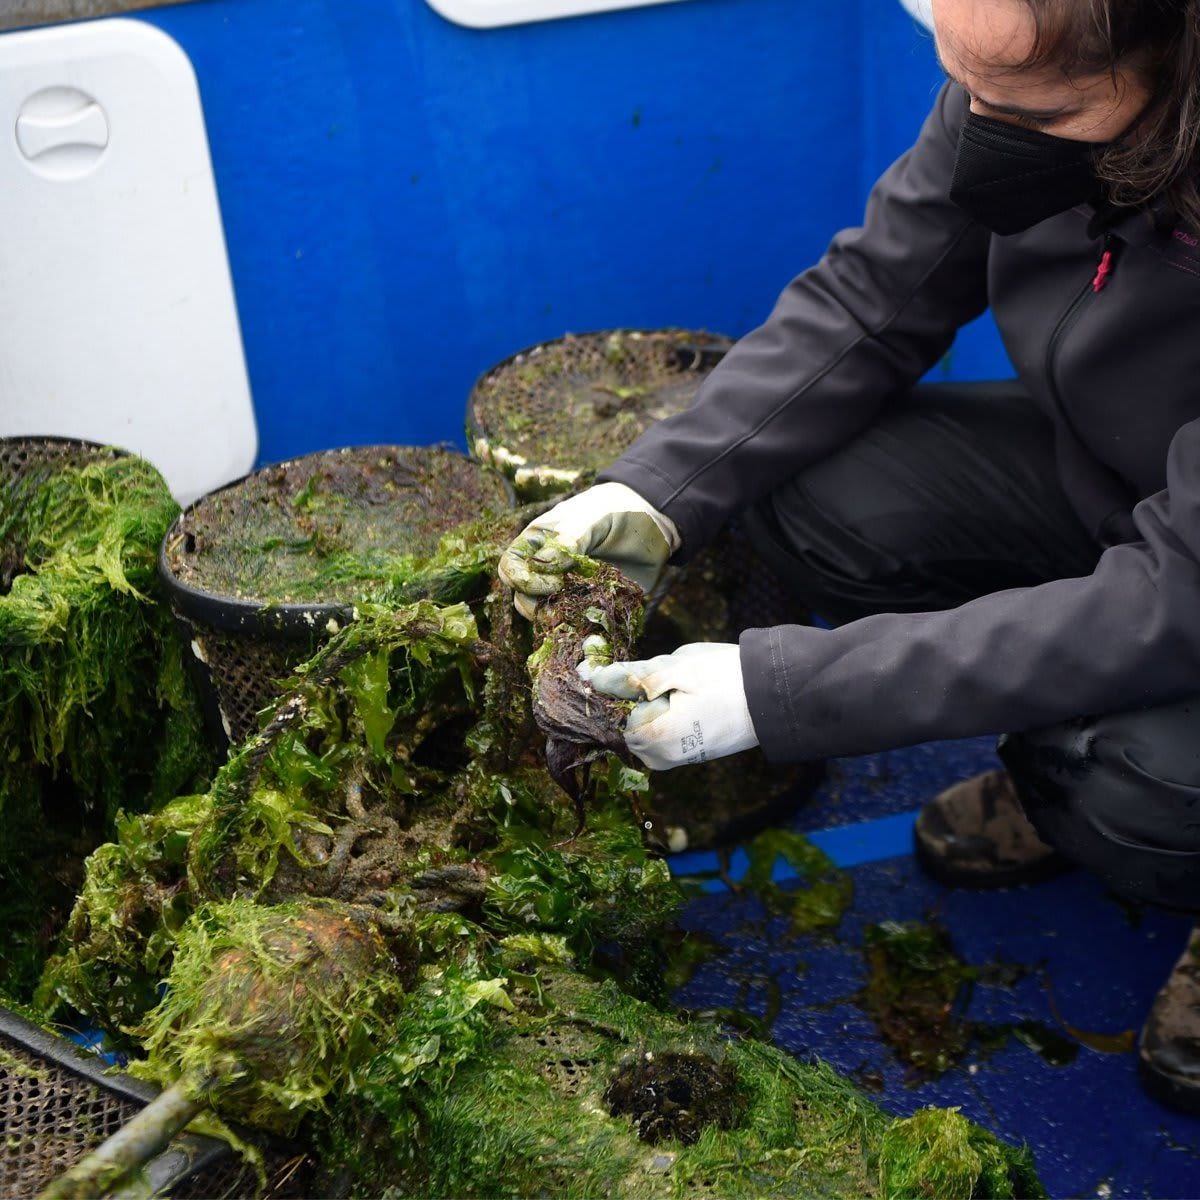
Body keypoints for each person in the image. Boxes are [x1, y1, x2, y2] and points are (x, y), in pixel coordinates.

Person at [499, 0, 1200, 1115]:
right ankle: (1048, 765)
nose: (984, 124)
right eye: (964, 80)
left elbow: (1178, 596)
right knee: (823, 496)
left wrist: (779, 694)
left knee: (1132, 777)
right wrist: (650, 495)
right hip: (1119, 490)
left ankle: (1095, 792)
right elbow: (872, 299)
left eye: (1043, 108)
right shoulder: (1018, 67)